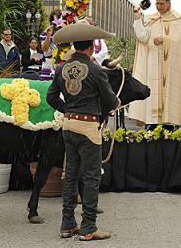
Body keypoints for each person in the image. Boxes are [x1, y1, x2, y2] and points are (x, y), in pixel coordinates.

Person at [47, 23, 119, 241]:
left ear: (74, 46)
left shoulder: (61, 69)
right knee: (90, 177)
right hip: (88, 128)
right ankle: (88, 227)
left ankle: (67, 225)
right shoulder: (96, 70)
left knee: (70, 176)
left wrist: (67, 109)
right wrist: (115, 102)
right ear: (91, 48)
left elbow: (50, 98)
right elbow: (110, 101)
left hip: (68, 125)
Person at [128, 0, 181, 128]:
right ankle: (152, 125)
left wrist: (165, 39)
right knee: (152, 95)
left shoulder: (177, 20)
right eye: (157, 4)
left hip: (171, 67)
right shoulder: (152, 20)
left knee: (170, 98)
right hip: (153, 65)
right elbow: (143, 37)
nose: (159, 7)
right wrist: (137, 18)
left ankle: (169, 126)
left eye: (162, 4)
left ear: (169, 3)